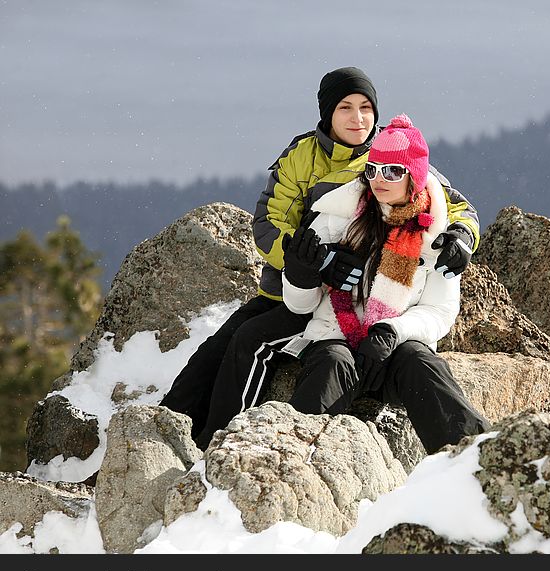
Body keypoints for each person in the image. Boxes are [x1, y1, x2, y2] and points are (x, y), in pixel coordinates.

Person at [159, 67, 481, 450]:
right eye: (345, 107)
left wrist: (462, 237)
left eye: (366, 107)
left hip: (362, 308)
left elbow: (454, 208)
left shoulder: (392, 152)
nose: (357, 118)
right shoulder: (304, 157)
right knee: (220, 348)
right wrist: (315, 263)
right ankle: (176, 435)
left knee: (250, 342)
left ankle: (216, 442)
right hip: (296, 290)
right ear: (327, 113)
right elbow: (268, 225)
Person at [282, 114, 490, 452]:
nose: (379, 179)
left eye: (393, 170)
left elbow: (440, 311)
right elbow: (300, 306)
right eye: (373, 169)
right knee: (331, 362)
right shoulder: (337, 217)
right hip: (336, 340)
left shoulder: (437, 234)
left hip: (393, 350)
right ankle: (290, 461)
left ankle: (477, 461)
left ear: (416, 176)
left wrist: (392, 331)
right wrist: (301, 275)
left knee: (422, 364)